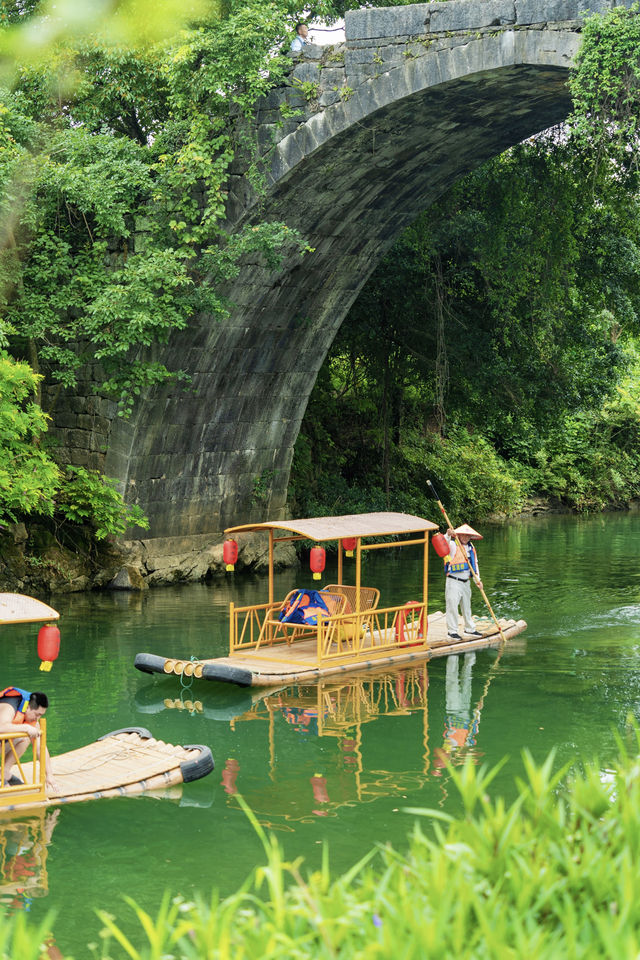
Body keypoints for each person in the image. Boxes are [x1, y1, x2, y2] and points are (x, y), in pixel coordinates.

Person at [0, 688, 58, 792]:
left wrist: (49, 775)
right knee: (27, 731)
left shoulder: (32, 720)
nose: (37, 719)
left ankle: (4, 773)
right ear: (27, 707)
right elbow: (1, 728)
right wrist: (26, 728)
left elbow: (41, 747)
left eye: (41, 715)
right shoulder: (9, 706)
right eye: (37, 714)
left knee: (27, 737)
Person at [443, 524, 484, 640]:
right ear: (459, 535)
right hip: (453, 581)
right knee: (452, 606)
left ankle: (469, 629)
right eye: (463, 535)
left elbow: (475, 565)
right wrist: (447, 535)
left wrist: (478, 580)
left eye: (468, 535)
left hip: (466, 582)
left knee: (467, 606)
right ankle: (452, 631)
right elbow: (443, 546)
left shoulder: (471, 548)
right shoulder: (452, 544)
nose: (465, 537)